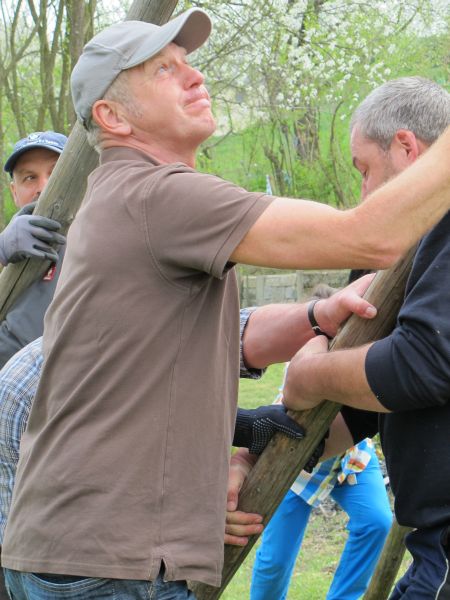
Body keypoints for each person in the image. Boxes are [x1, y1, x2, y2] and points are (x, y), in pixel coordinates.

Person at [2, 6, 450, 595]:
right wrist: (308, 375)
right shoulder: (157, 195)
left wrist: (315, 317)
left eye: (187, 62)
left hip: (85, 551)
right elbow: (371, 235)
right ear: (112, 116)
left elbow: (220, 334)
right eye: (163, 70)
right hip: (111, 562)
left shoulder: (127, 201)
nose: (195, 75)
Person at [229, 76, 450, 599]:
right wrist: (253, 453)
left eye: (364, 170)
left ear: (406, 147)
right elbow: (366, 408)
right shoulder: (409, 253)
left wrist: (309, 374)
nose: (364, 193)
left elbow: (422, 364)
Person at [250, 284, 392, 600]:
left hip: (352, 459)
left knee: (377, 521)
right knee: (275, 561)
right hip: (298, 464)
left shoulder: (360, 349)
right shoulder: (307, 355)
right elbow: (291, 401)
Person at [0, 131, 67, 367]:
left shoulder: (97, 238)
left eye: (55, 173)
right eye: (30, 177)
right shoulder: (9, 243)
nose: (43, 187)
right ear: (14, 191)